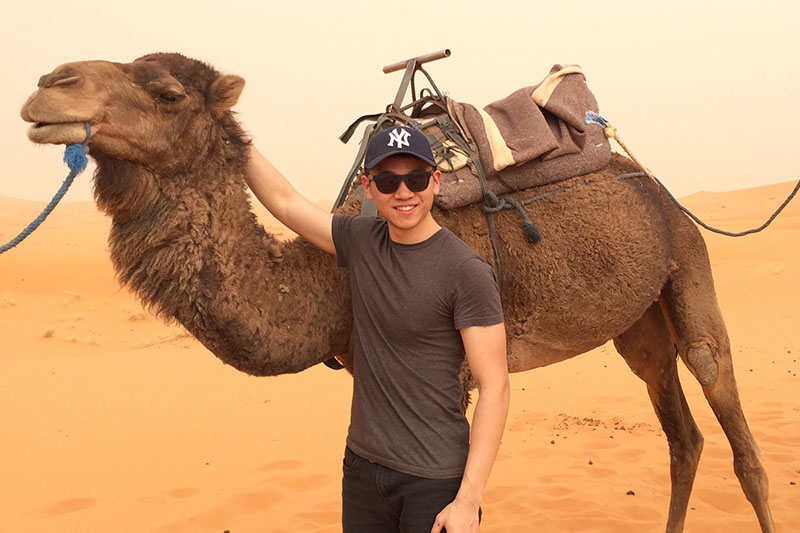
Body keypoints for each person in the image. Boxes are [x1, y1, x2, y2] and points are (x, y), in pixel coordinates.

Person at [246, 125, 509, 533]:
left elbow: (495, 386)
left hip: (434, 480)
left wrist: (468, 501)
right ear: (369, 189)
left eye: (416, 179)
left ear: (436, 183)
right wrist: (237, 138)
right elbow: (284, 201)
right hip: (363, 469)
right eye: (387, 181)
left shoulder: (466, 273)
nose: (403, 193)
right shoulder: (361, 241)